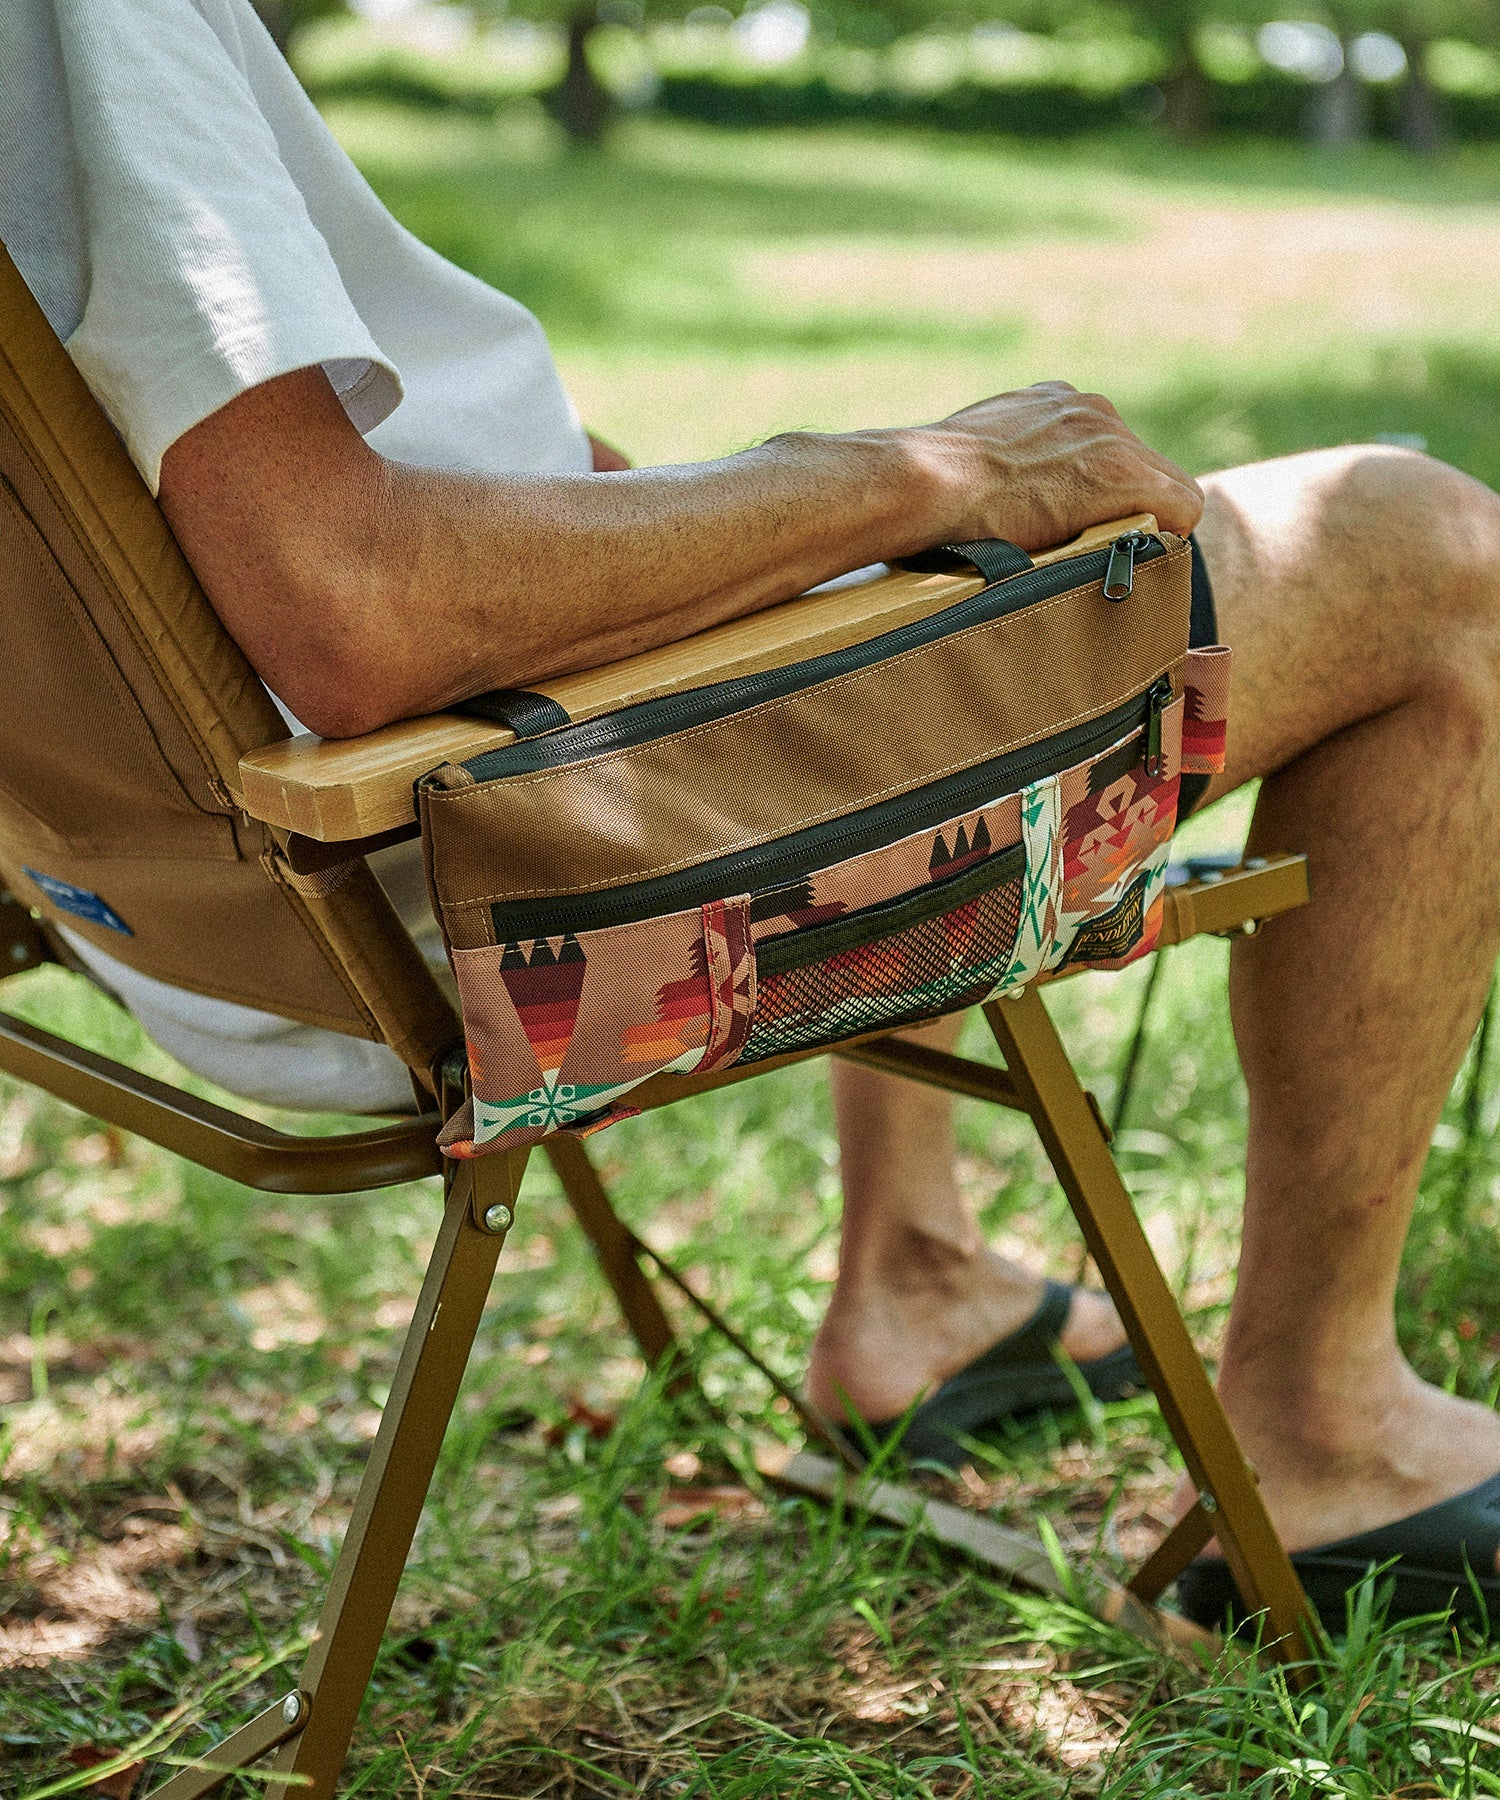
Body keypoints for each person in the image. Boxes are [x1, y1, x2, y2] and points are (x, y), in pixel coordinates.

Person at [6, 0, 1500, 1630]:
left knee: (851, 564)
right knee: (1430, 559)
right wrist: (914, 476)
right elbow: (353, 605)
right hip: (495, 878)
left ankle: (915, 1278)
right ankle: (1328, 1428)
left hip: (193, 920)